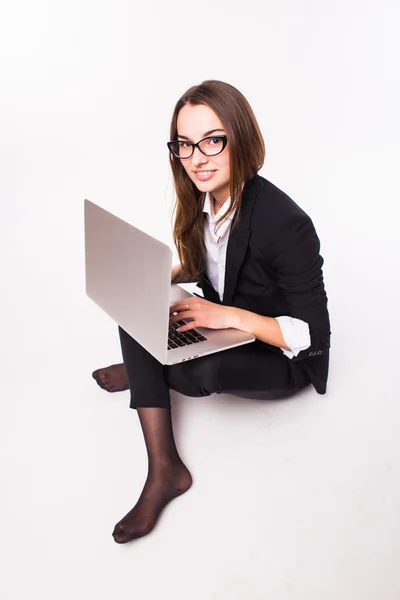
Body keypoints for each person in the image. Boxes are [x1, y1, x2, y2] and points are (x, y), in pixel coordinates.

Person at [92, 80, 331, 544]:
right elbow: (219, 264)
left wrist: (231, 317)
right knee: (136, 301)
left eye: (212, 140)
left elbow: (313, 336)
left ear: (239, 139)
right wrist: (169, 272)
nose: (197, 156)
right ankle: (164, 461)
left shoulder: (287, 223)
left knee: (191, 376)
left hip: (280, 355)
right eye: (185, 144)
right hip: (231, 319)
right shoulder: (204, 199)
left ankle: (153, 381)